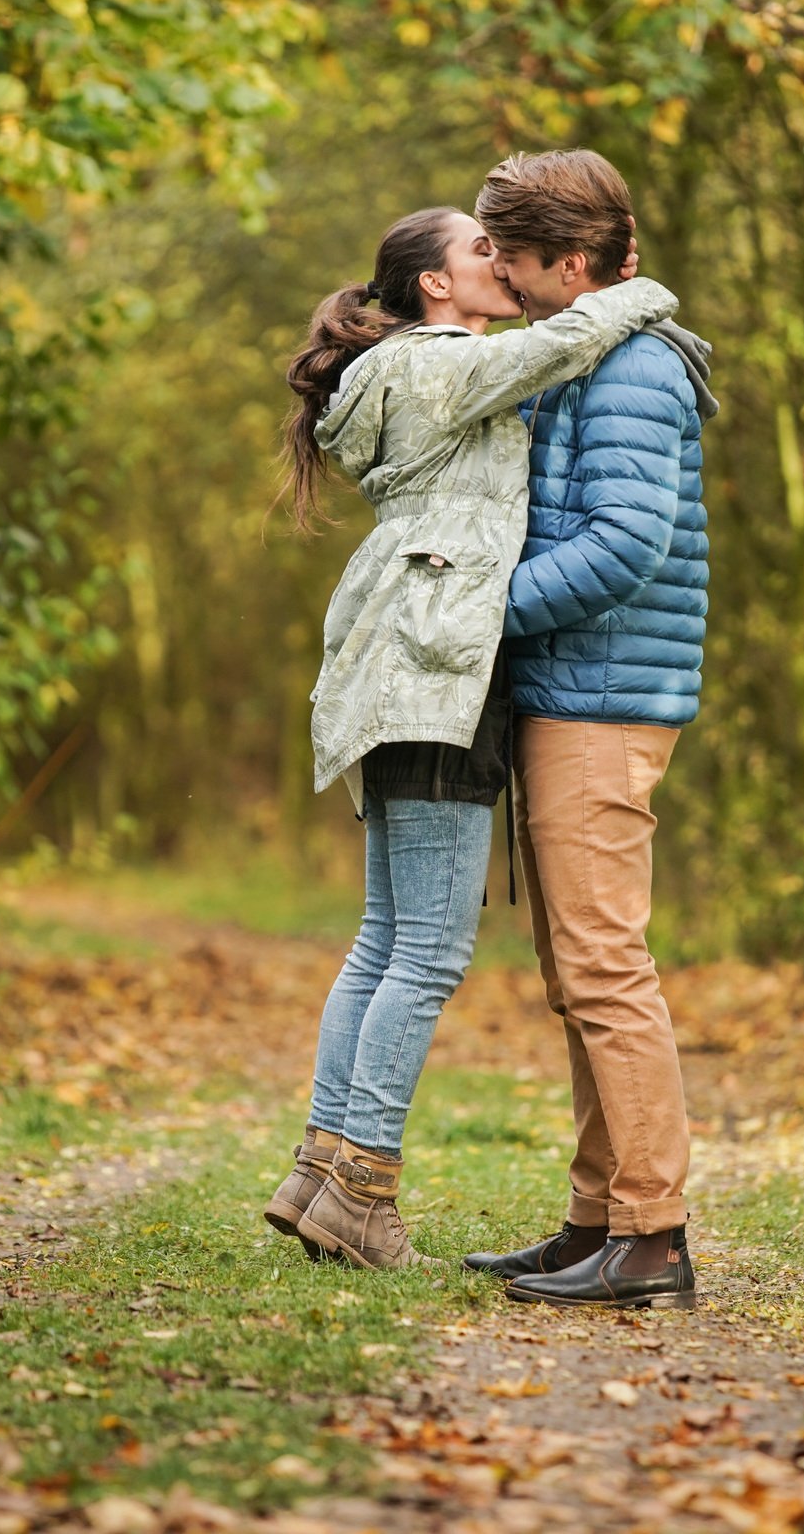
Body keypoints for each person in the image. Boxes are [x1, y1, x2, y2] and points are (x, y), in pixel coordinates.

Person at [263, 203, 678, 1270]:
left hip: (395, 663)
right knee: (429, 948)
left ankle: (321, 1172)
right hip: (438, 671)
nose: (498, 264)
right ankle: (360, 1188)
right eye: (479, 251)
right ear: (437, 285)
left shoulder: (403, 369)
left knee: (381, 935)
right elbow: (564, 340)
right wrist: (636, 290)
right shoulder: (440, 359)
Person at [462, 150, 718, 1310]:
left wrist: (473, 616)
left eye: (512, 263)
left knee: (605, 968)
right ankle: (595, 1218)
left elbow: (623, 546)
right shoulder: (583, 355)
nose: (502, 283)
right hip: (573, 691)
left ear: (571, 265)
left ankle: (652, 1235)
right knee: (576, 971)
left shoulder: (632, 372)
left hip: (599, 700)